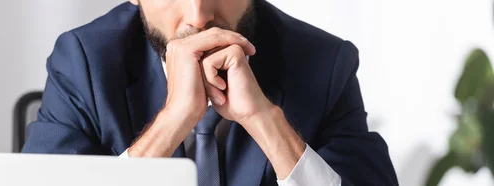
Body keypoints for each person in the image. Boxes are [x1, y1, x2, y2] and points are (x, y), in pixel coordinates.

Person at [22, 0, 398, 185]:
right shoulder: (82, 60)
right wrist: (172, 123)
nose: (199, 17)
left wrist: (264, 120)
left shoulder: (326, 63)